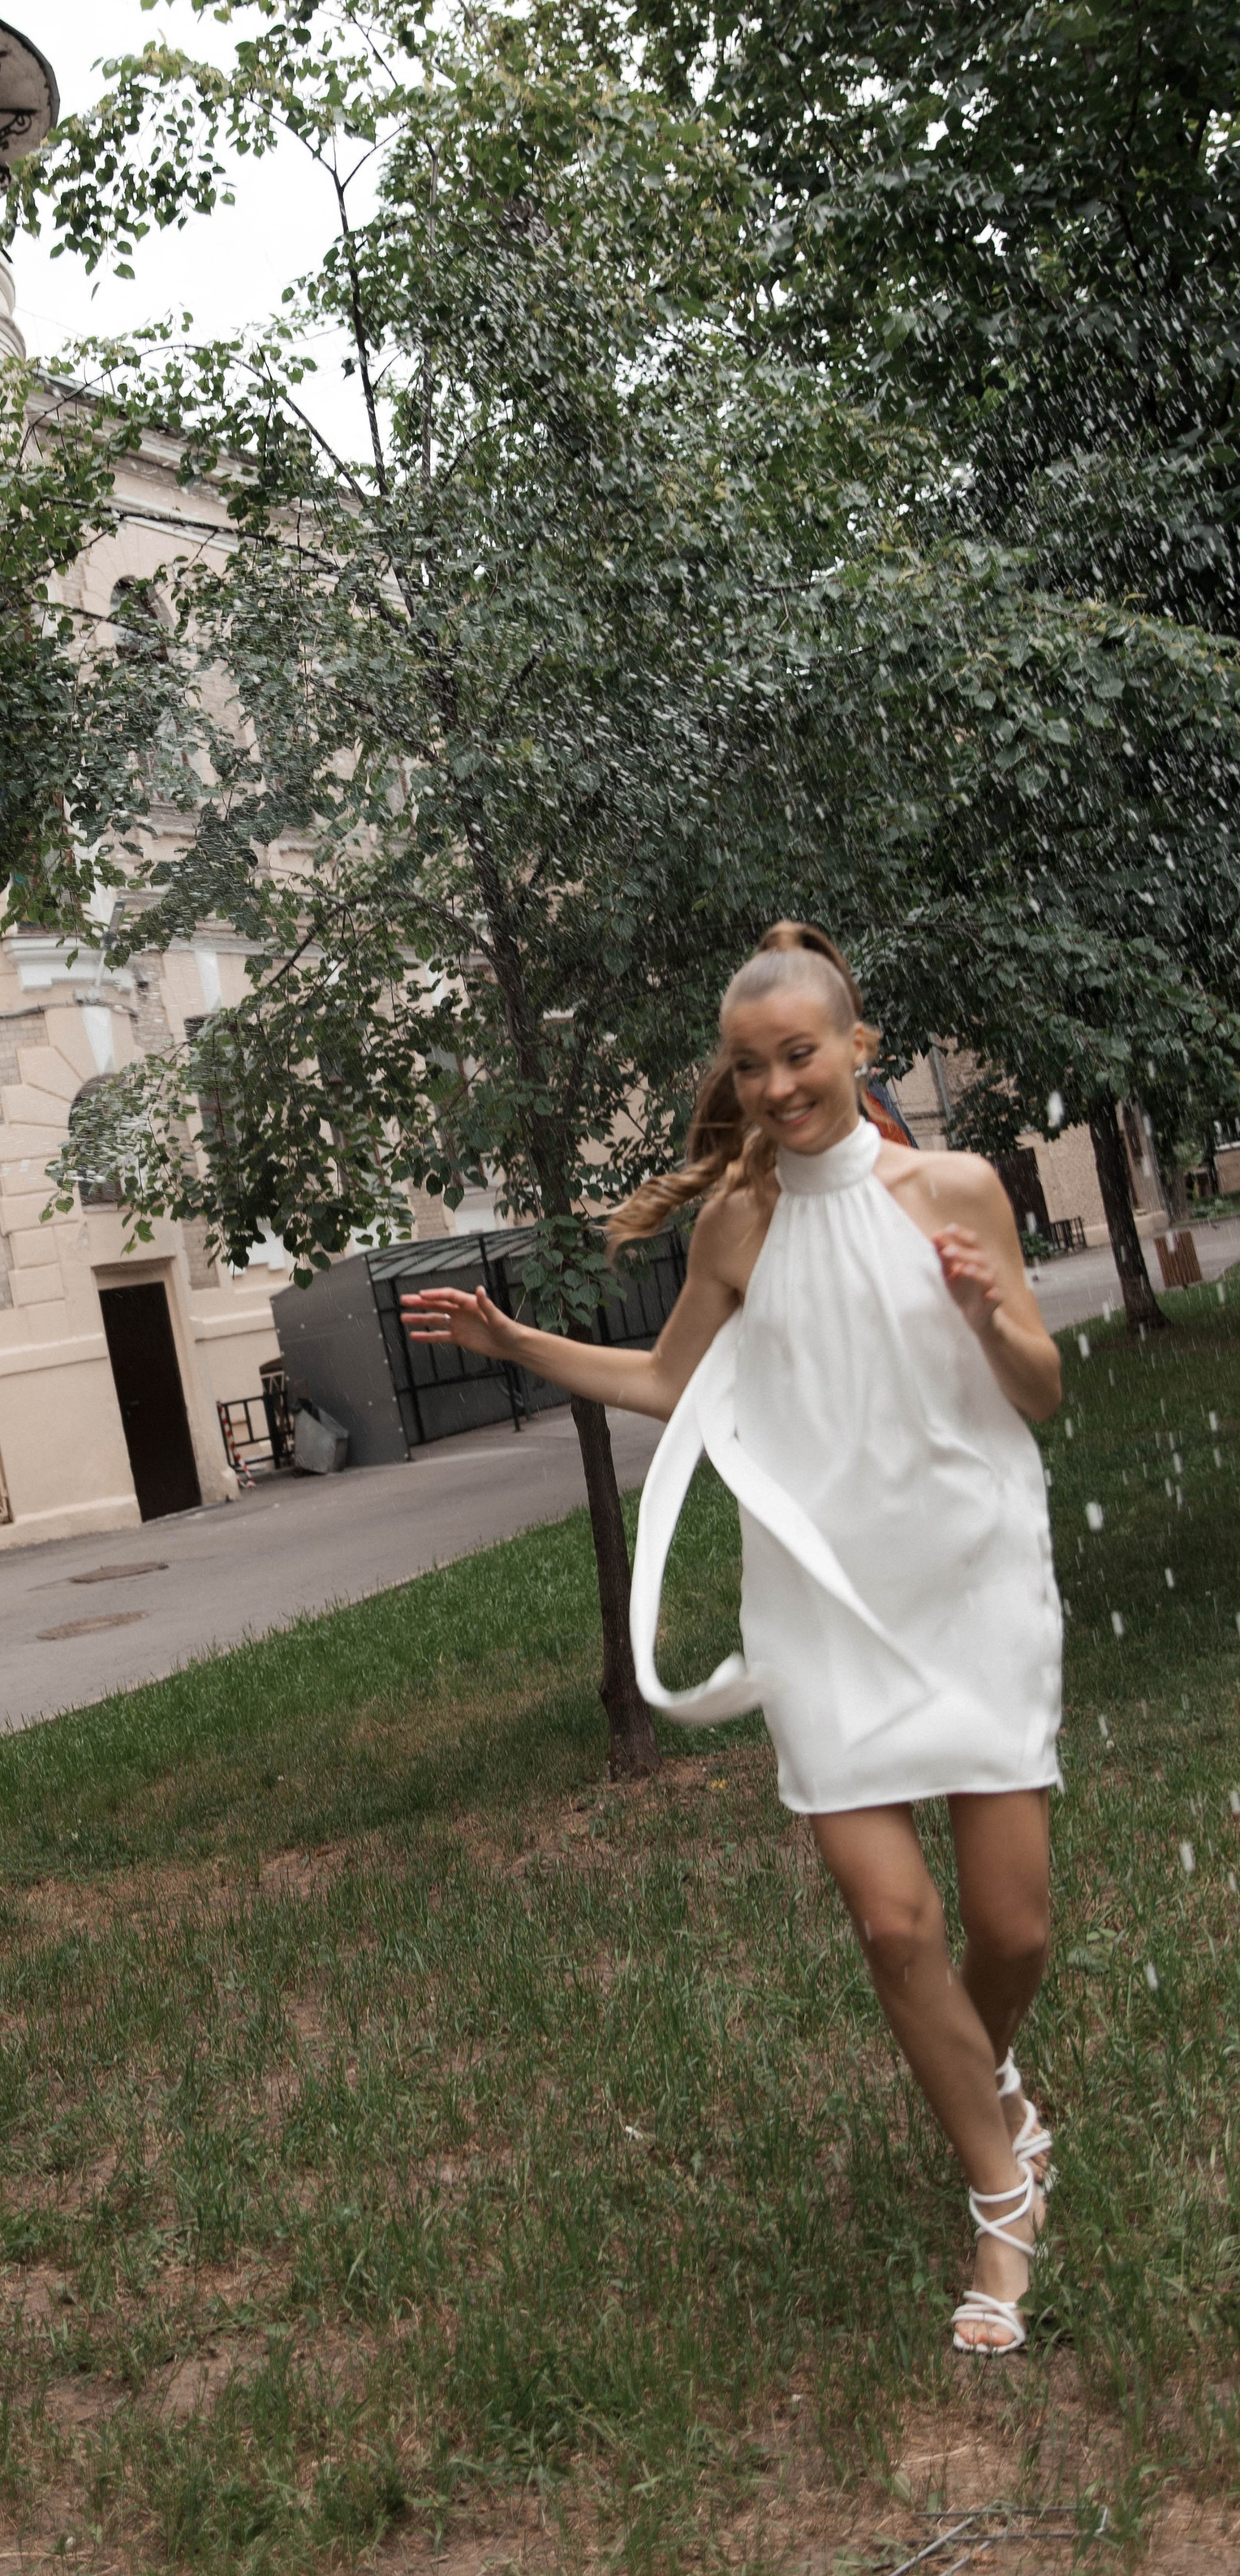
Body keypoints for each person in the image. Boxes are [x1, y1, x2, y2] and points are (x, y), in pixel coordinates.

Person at [401, 924, 1064, 2357]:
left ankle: (985, 2075)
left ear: (857, 1048)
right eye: (750, 1066)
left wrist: (990, 1312)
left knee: (1012, 1927)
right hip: (824, 1600)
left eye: (800, 1055)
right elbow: (659, 1379)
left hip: (968, 1574)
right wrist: (514, 1343)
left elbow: (1041, 1388)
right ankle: (1001, 2204)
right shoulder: (739, 1228)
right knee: (897, 1923)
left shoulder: (955, 1187)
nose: (774, 1088)